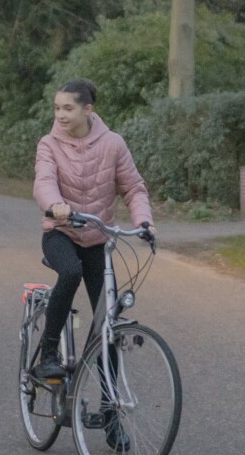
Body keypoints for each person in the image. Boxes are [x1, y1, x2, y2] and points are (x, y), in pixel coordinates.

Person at [28, 78, 152, 384]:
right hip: (61, 232)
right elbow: (43, 181)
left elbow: (134, 188)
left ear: (88, 109)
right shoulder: (49, 144)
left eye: (68, 108)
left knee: (104, 323)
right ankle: (48, 353)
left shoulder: (113, 144)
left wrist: (144, 223)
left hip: (97, 238)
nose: (60, 114)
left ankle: (111, 415)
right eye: (57, 108)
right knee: (70, 272)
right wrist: (56, 204)